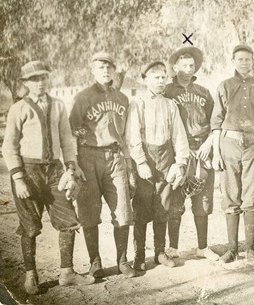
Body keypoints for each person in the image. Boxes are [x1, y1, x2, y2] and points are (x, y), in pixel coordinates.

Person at [2, 61, 94, 294]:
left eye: (43, 77)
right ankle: (31, 275)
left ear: (48, 79)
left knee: (68, 219)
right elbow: (9, 146)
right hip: (28, 171)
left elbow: (66, 139)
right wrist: (19, 178)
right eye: (34, 79)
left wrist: (70, 167)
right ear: (26, 83)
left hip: (54, 170)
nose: (40, 82)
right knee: (30, 225)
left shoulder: (58, 106)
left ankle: (67, 273)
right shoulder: (18, 108)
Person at [69, 52, 136, 278]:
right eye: (100, 67)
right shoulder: (82, 97)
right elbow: (73, 128)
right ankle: (94, 261)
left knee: (123, 209)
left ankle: (122, 260)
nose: (105, 71)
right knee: (88, 210)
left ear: (114, 71)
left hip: (115, 156)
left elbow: (126, 133)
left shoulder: (122, 98)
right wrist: (84, 141)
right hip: (89, 155)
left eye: (108, 67)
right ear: (92, 70)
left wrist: (129, 161)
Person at [211, 44, 254, 264]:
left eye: (248, 59)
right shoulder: (224, 86)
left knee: (251, 193)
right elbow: (216, 122)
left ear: (253, 61)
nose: (244, 62)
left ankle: (250, 250)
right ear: (233, 61)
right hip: (230, 142)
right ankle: (232, 249)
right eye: (240, 59)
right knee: (230, 193)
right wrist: (217, 152)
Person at [126, 61, 189, 270]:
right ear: (145, 80)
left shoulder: (170, 105)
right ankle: (139, 255)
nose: (161, 81)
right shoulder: (137, 103)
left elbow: (179, 135)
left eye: (163, 77)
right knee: (142, 208)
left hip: (165, 160)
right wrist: (141, 162)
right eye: (156, 77)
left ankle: (160, 253)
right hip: (146, 159)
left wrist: (179, 163)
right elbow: (132, 136)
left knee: (163, 205)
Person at [163, 47, 219, 261]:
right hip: (179, 152)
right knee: (176, 200)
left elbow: (216, 122)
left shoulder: (203, 92)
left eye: (191, 65)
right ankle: (173, 248)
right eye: (184, 65)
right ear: (175, 67)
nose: (188, 69)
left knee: (202, 200)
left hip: (203, 148)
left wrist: (209, 143)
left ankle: (202, 247)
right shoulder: (167, 91)